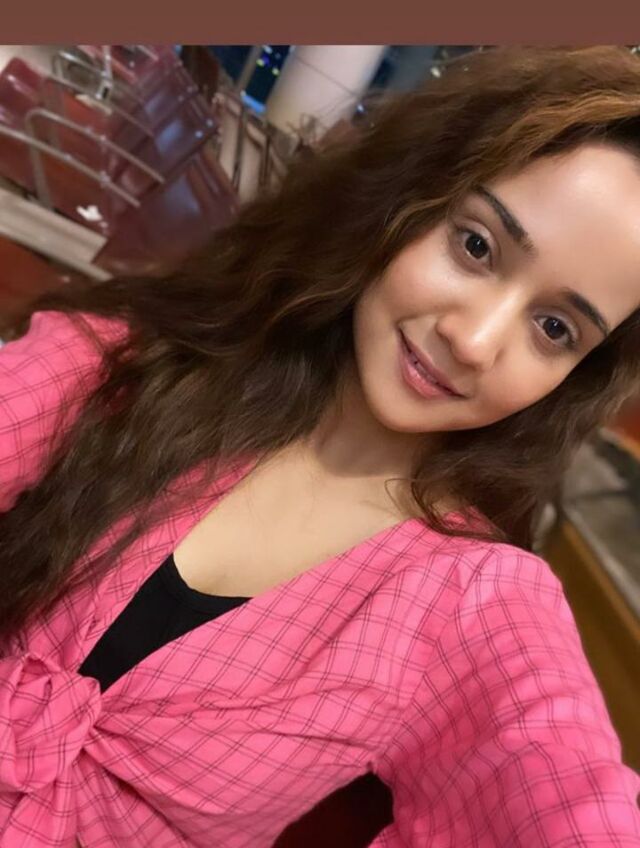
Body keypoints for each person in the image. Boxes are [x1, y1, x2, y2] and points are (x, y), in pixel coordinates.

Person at [1, 45, 639, 848]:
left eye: (554, 328)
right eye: (476, 247)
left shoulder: (472, 603)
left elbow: (568, 800)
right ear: (403, 202)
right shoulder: (128, 369)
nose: (474, 340)